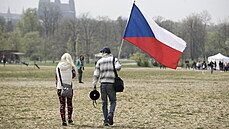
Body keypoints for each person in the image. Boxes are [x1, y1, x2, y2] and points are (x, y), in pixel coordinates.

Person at [92, 46, 121, 126]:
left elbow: (96, 74)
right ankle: (111, 113)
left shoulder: (99, 61)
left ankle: (105, 121)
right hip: (111, 83)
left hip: (103, 84)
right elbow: (118, 67)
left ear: (104, 52)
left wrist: (94, 84)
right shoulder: (114, 59)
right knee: (113, 101)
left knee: (104, 103)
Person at [55, 53, 76, 126]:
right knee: (69, 104)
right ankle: (70, 119)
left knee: (62, 104)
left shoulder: (58, 66)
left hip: (60, 87)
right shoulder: (71, 66)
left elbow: (56, 77)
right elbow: (73, 76)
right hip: (69, 87)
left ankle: (63, 121)